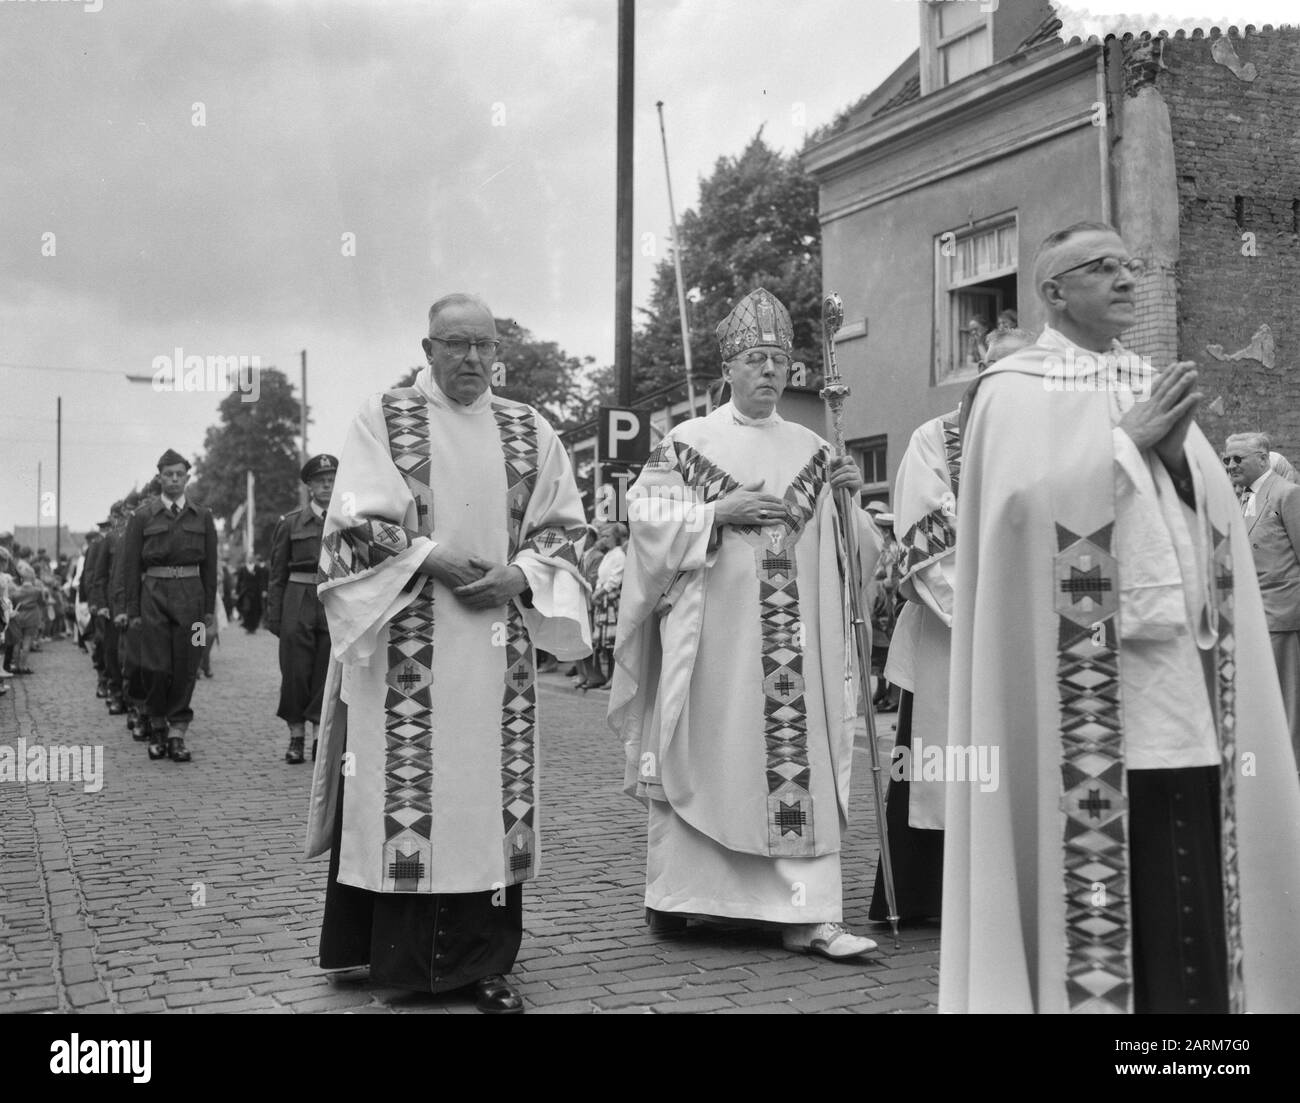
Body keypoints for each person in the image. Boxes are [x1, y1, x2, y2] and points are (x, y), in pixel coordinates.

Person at [942, 221, 1300, 1013]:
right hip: (1079, 693)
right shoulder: (1012, 391)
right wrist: (1125, 446)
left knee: (1192, 866)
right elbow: (1019, 521)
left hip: (1179, 673)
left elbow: (1219, 525)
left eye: (1129, 265)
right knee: (1109, 883)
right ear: (1053, 292)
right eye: (1102, 268)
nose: (1127, 280)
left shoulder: (1144, 376)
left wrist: (1172, 457)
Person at [304, 292, 590, 1014]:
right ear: (426, 348)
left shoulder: (530, 430)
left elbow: (566, 531)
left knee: (484, 803)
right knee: (408, 798)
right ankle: (401, 965)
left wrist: (521, 574)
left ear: (499, 351)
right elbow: (351, 529)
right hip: (407, 646)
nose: (472, 358)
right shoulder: (387, 419)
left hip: (499, 654)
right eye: (456, 343)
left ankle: (488, 962)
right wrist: (429, 556)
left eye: (485, 345)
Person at [609, 287, 882, 960]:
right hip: (714, 647)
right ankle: (688, 901)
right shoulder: (686, 444)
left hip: (798, 649)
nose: (770, 371)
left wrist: (850, 501)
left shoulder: (816, 448)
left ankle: (808, 916)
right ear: (727, 368)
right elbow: (644, 525)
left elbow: (863, 554)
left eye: (780, 360)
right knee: (706, 750)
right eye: (756, 359)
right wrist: (713, 514)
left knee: (795, 762)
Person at [119, 449, 218, 763]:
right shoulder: (142, 517)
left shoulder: (203, 516)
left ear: (187, 477)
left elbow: (212, 568)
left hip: (193, 599)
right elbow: (130, 567)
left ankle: (177, 733)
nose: (174, 479)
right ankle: (157, 725)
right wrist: (132, 610)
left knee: (189, 666)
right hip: (154, 597)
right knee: (156, 667)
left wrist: (209, 612)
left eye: (179, 474)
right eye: (168, 474)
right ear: (159, 477)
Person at [1224, 431, 1300, 767]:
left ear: (1263, 459)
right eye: (1227, 459)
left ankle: (1289, 767)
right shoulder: (1243, 496)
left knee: (1286, 696)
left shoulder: (1287, 494)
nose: (1230, 465)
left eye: (1238, 459)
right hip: (1252, 614)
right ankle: (1271, 763)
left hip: (1281, 612)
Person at [266, 453, 338, 764]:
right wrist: (275, 615)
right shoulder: (291, 523)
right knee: (295, 672)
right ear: (309, 486)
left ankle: (320, 737)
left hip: (333, 601)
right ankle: (296, 736)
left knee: (326, 672)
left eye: (332, 479)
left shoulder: (347, 522)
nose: (326, 484)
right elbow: (276, 573)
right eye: (320, 480)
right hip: (297, 598)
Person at [584, 523, 626, 690]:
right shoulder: (608, 555)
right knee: (604, 643)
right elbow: (602, 577)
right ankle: (609, 676)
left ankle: (613, 677)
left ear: (616, 537)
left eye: (607, 536)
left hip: (611, 601)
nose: (604, 539)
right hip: (603, 600)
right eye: (602, 536)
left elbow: (615, 579)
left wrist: (600, 593)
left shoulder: (619, 555)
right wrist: (597, 592)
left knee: (612, 642)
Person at [236, 556, 267, 632]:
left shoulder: (258, 568)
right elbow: (239, 581)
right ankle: (247, 624)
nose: (249, 559)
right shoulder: (243, 569)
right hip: (246, 592)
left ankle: (253, 626)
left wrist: (264, 590)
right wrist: (237, 591)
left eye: (251, 558)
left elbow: (262, 580)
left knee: (255, 609)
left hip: (256, 592)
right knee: (246, 608)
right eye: (248, 558)